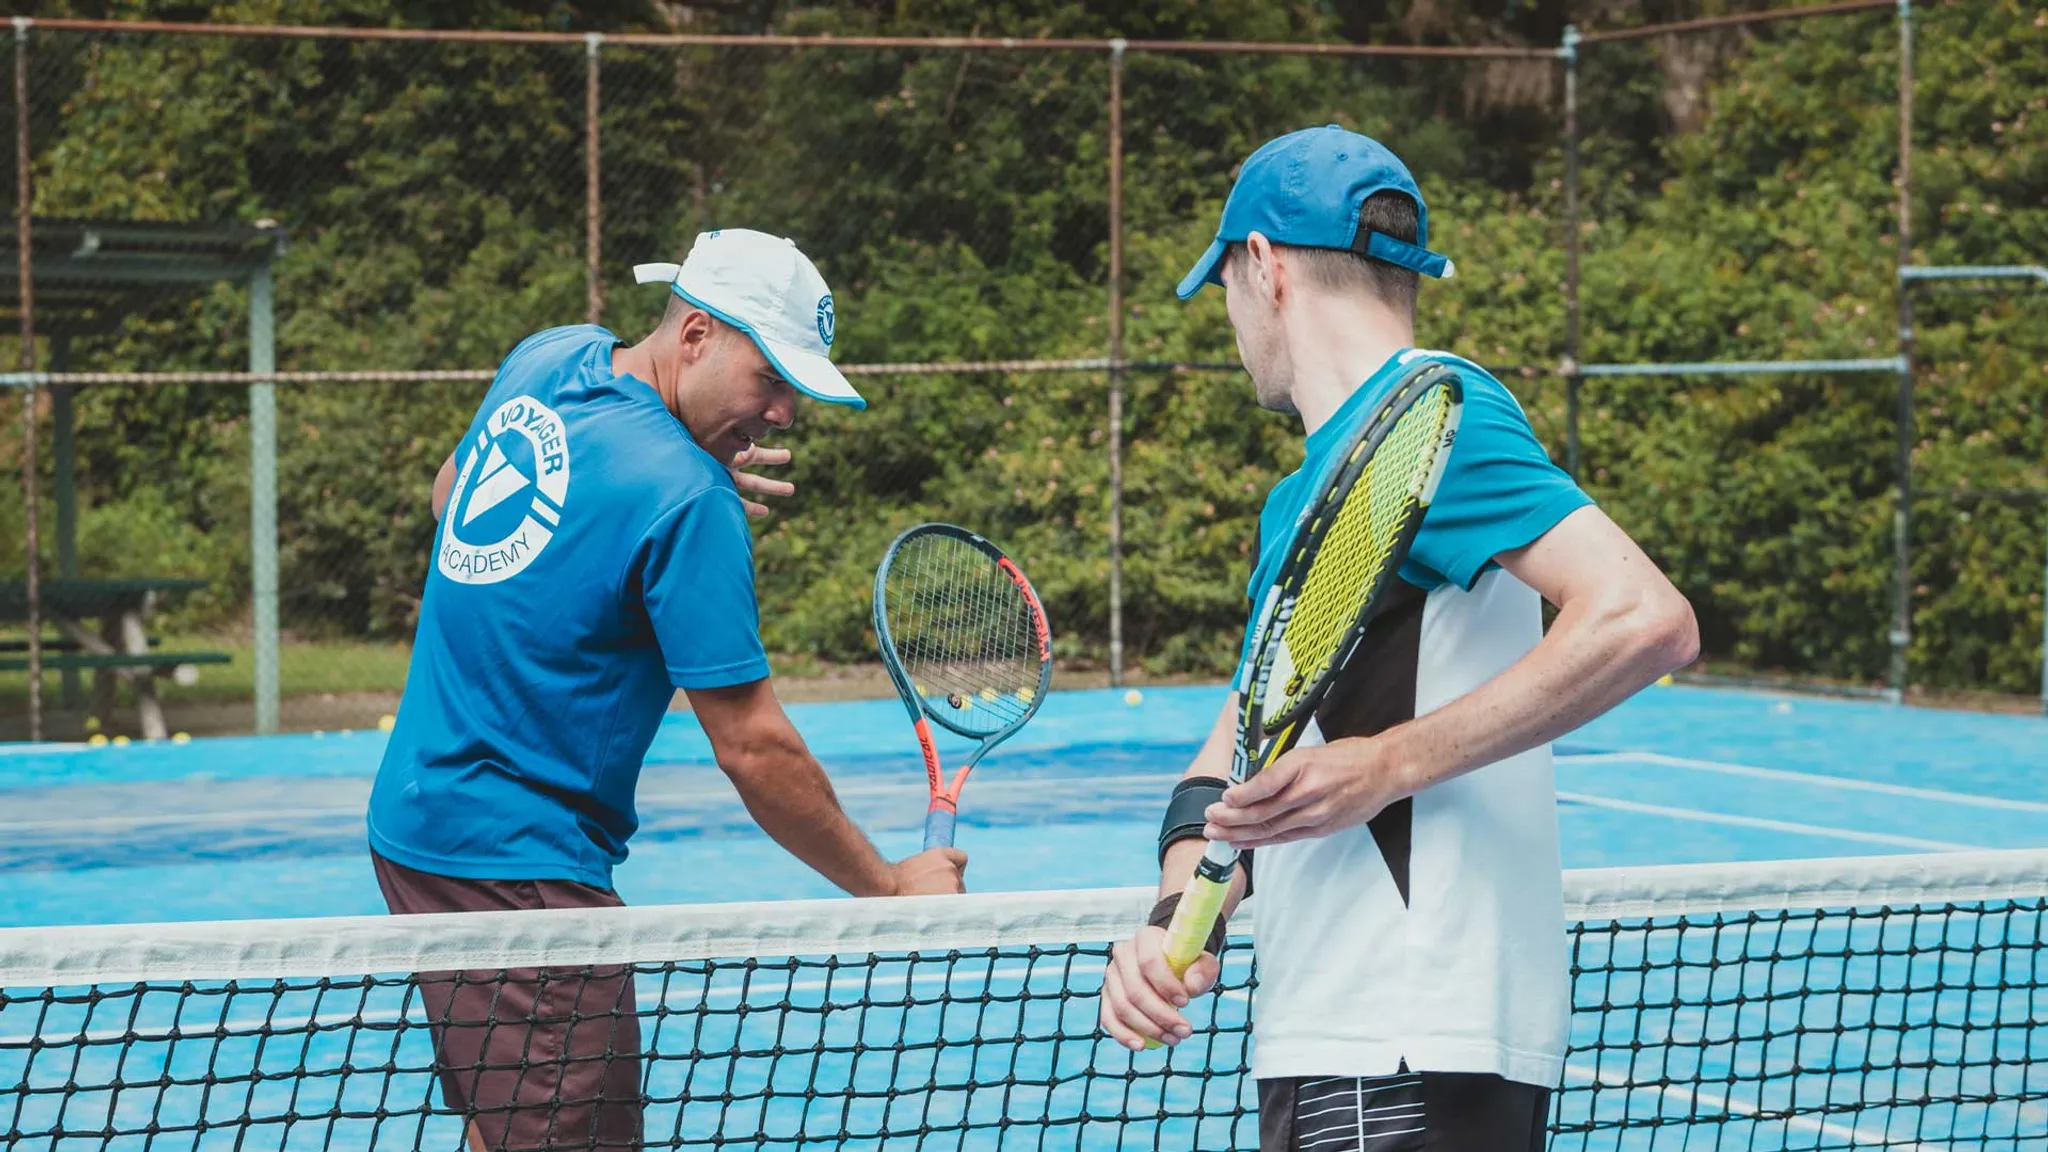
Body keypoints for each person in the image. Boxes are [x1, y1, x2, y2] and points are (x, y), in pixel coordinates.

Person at [1098, 126, 1700, 1151]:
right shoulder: (1305, 492)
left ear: (1262, 267)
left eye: (1230, 292)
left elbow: (1643, 618)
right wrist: (1167, 921)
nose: (1234, 322)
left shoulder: (1436, 411)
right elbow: (1241, 752)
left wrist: (1389, 763)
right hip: (1334, 1037)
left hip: (1410, 1038)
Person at [367, 227, 968, 1152]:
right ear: (695, 336)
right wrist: (890, 889)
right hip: (525, 878)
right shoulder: (690, 503)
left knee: (503, 1128)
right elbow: (753, 747)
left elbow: (453, 493)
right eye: (770, 380)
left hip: (415, 833)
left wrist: (633, 486)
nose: (784, 415)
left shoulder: (553, 355)